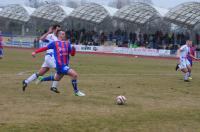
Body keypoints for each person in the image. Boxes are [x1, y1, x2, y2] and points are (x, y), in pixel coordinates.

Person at [32, 30, 85, 96]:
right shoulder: (55, 43)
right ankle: (76, 92)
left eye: (64, 34)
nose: (64, 35)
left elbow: (72, 54)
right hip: (60, 65)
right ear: (59, 35)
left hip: (65, 64)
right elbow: (45, 48)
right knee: (74, 75)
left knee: (56, 78)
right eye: (62, 34)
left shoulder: (67, 44)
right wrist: (35, 52)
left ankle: (41, 79)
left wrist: (73, 49)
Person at [22, 25, 61, 93]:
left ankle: (26, 81)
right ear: (54, 30)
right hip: (50, 57)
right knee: (60, 71)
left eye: (59, 30)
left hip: (50, 57)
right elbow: (41, 39)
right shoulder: (51, 36)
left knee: (41, 73)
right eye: (57, 30)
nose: (59, 31)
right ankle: (53, 87)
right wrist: (48, 32)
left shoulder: (58, 38)